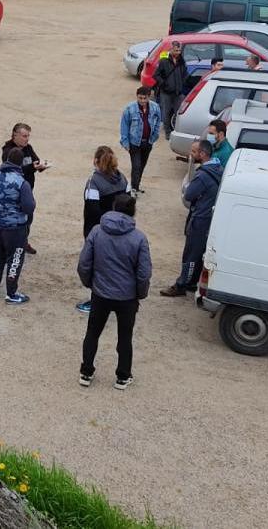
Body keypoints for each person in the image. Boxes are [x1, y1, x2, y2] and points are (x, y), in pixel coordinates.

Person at [77, 194, 152, 390]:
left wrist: (90, 284)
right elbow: (144, 273)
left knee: (92, 333)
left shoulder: (96, 231)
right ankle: (122, 376)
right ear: (133, 212)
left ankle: (86, 371)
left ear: (113, 207)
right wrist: (140, 294)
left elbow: (84, 263)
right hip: (127, 297)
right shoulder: (139, 238)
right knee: (125, 337)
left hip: (100, 293)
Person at [161, 140, 223, 297]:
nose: (191, 154)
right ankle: (193, 281)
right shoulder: (219, 168)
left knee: (191, 254)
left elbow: (189, 194)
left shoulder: (202, 175)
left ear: (202, 154)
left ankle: (182, 284)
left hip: (200, 219)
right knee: (199, 253)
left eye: (194, 151)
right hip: (209, 218)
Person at [76, 146, 130, 313]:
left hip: (99, 231)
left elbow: (93, 210)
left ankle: (97, 302)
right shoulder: (123, 179)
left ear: (96, 161)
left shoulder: (94, 182)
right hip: (122, 230)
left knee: (97, 266)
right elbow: (129, 205)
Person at [0, 147, 36, 305]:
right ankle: (11, 293)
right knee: (15, 259)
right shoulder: (21, 182)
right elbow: (29, 207)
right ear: (20, 163)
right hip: (15, 227)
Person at [0, 123, 48, 255]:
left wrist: (41, 166)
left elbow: (35, 161)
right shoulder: (8, 151)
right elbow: (14, 170)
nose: (27, 139)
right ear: (15, 135)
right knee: (13, 220)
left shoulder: (28, 148)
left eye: (28, 136)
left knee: (28, 217)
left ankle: (23, 242)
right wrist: (33, 167)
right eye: (24, 136)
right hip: (13, 193)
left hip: (27, 191)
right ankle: (9, 245)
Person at [119, 85, 161, 196]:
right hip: (134, 143)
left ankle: (136, 186)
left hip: (148, 142)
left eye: (144, 98)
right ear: (137, 97)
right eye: (140, 98)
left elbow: (158, 123)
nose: (142, 101)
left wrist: (154, 137)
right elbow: (124, 126)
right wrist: (126, 143)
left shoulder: (155, 107)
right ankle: (133, 189)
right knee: (136, 166)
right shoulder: (129, 109)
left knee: (142, 165)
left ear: (149, 97)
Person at [153, 40, 187, 139]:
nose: (178, 53)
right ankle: (167, 132)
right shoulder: (164, 61)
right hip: (166, 93)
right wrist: (164, 84)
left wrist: (182, 83)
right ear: (171, 50)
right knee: (166, 113)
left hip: (178, 93)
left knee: (178, 113)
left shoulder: (181, 61)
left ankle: (175, 131)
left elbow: (185, 74)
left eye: (179, 50)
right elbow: (156, 75)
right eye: (176, 50)